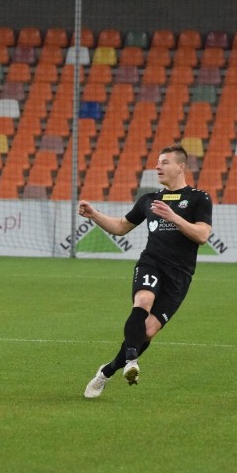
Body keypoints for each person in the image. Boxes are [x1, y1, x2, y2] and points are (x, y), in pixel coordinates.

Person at [81, 144, 212, 398]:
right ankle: (131, 361)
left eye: (164, 162)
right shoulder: (148, 200)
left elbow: (203, 235)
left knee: (148, 331)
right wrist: (94, 215)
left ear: (180, 167)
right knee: (143, 300)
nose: (157, 166)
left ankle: (105, 372)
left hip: (180, 275)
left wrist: (174, 218)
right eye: (157, 162)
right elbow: (120, 227)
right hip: (151, 262)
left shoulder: (199, 198)